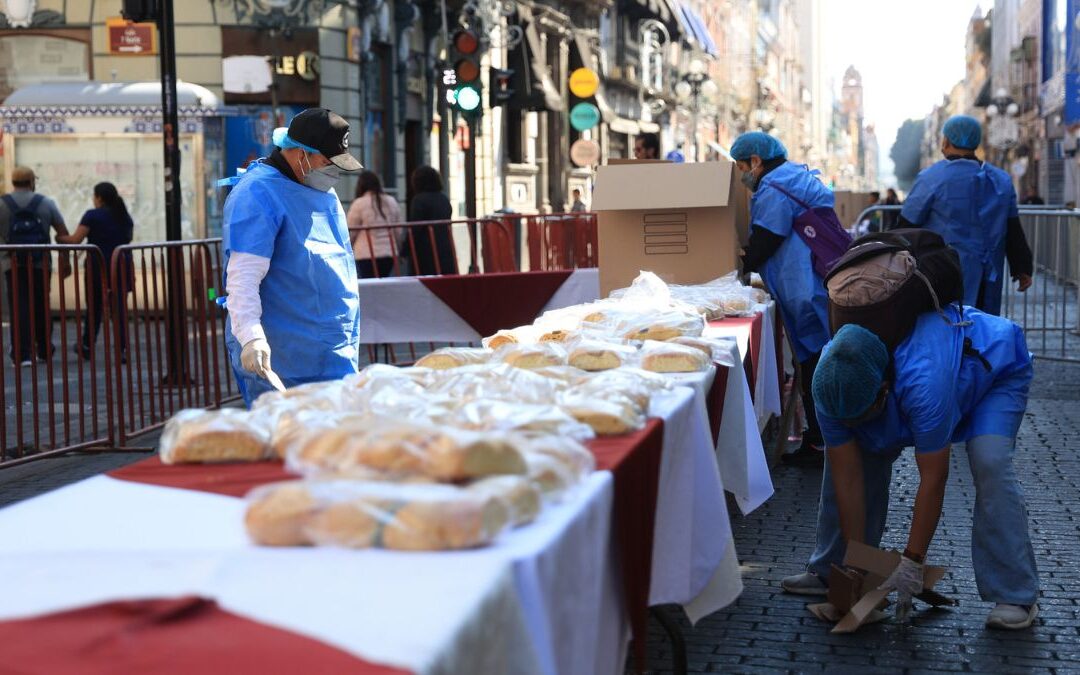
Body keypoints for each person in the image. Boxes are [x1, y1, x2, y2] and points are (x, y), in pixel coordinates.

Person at [783, 311, 1039, 630]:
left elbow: (933, 479)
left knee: (990, 462)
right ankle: (833, 569)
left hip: (992, 372)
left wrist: (912, 562)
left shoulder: (923, 385)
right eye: (844, 421)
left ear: (885, 390)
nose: (850, 426)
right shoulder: (829, 383)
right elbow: (847, 477)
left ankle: (1014, 592)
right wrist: (855, 568)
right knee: (857, 455)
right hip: (921, 387)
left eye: (860, 416)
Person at [221, 108, 363, 407]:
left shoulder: (319, 188)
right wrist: (250, 336)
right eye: (327, 163)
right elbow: (243, 277)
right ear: (301, 154)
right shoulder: (257, 194)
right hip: (287, 357)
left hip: (331, 348)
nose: (333, 172)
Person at [732, 131, 833, 467]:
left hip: (803, 285)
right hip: (812, 280)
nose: (742, 173)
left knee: (813, 362)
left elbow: (767, 238)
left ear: (756, 161)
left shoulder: (774, 188)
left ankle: (822, 442)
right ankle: (823, 439)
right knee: (816, 359)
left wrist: (738, 268)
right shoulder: (793, 176)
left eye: (742, 166)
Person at [899, 115, 1033, 315]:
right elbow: (1013, 228)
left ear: (946, 142)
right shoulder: (1001, 180)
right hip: (987, 276)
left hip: (940, 272)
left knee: (944, 328)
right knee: (980, 330)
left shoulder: (931, 178)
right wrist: (1022, 268)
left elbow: (905, 225)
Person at [54, 182, 134, 358]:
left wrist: (59, 237)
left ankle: (87, 345)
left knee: (95, 306)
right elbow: (128, 238)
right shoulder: (124, 216)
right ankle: (122, 349)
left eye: (94, 195)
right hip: (121, 262)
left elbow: (76, 240)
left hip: (98, 265)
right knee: (119, 307)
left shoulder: (92, 216)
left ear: (99, 197)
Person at [0, 166, 70, 366]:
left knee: (18, 306)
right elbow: (62, 232)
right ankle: (44, 349)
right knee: (41, 304)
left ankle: (22, 354)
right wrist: (65, 260)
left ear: (13, 182)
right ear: (32, 181)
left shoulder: (2, 204)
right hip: (40, 263)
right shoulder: (46, 203)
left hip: (11, 264)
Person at [347, 170, 402, 278]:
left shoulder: (359, 203)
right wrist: (399, 249)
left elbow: (351, 231)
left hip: (365, 254)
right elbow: (398, 231)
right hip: (389, 252)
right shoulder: (391, 201)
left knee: (369, 285)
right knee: (384, 283)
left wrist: (348, 249)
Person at [408, 166, 457, 276]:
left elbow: (416, 227)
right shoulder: (443, 198)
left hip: (426, 252)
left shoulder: (419, 200)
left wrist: (405, 249)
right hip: (445, 249)